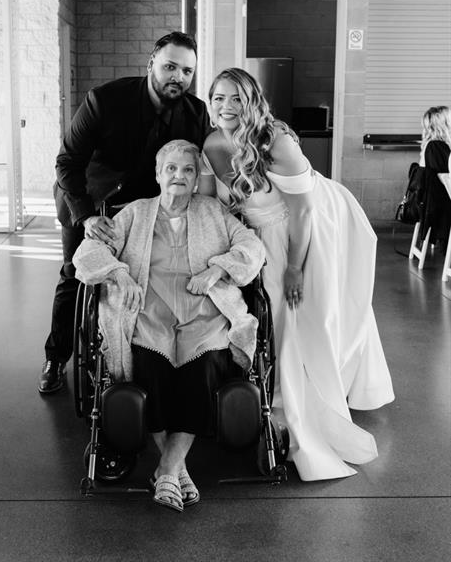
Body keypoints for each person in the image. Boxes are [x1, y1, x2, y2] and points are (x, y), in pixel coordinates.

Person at [199, 67, 395, 481]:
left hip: (305, 227)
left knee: (303, 311)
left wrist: (293, 269)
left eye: (236, 98)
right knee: (273, 314)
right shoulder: (212, 142)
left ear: (251, 102)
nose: (226, 107)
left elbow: (304, 210)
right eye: (218, 98)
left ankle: (294, 404)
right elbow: (209, 205)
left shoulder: (276, 141)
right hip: (255, 236)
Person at [73, 140, 265, 511]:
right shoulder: (135, 213)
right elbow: (88, 252)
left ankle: (167, 469)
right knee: (149, 371)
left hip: (203, 312)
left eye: (188, 170)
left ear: (196, 181)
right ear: (158, 175)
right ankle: (178, 471)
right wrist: (119, 273)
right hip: (148, 311)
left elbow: (252, 247)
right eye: (172, 169)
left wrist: (217, 269)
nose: (179, 176)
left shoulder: (214, 212)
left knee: (205, 371)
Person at [39, 32, 211, 394]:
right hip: (90, 199)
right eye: (169, 67)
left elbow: (211, 162)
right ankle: (56, 356)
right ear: (152, 64)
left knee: (148, 276)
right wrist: (86, 216)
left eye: (186, 70)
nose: (177, 76)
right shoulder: (104, 100)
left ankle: (140, 355)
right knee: (76, 274)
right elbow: (67, 163)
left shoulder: (196, 113)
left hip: (145, 211)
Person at [419, 106, 451, 245]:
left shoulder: (432, 145)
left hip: (434, 202)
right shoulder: (437, 147)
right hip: (441, 204)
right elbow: (446, 178)